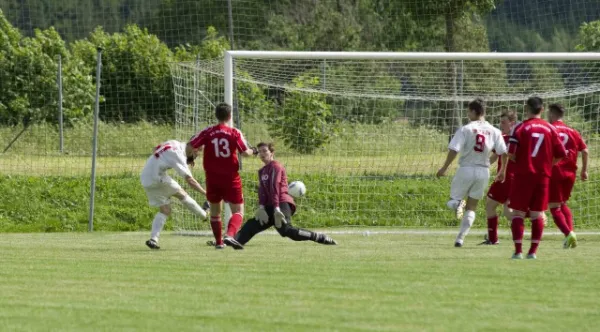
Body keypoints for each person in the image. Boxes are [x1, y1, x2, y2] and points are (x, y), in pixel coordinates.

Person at [208, 142, 337, 247]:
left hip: (281, 203)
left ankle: (319, 237)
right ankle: (227, 242)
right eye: (260, 152)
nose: (262, 154)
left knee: (286, 231)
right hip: (270, 206)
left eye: (265, 151)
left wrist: (276, 208)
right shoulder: (262, 171)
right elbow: (262, 191)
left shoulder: (276, 167)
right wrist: (262, 207)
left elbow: (274, 187)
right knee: (251, 225)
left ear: (272, 153)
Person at [436, 98, 508, 247]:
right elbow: (503, 152)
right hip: (483, 171)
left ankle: (458, 204)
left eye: (469, 111)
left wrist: (444, 168)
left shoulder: (466, 129)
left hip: (466, 169)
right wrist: (502, 170)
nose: (468, 114)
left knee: (453, 201)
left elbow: (454, 149)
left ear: (474, 111)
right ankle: (460, 239)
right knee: (472, 206)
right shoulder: (494, 130)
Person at [189, 102, 257, 250]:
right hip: (230, 177)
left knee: (214, 211)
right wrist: (253, 150)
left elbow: (192, 145)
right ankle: (230, 235)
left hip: (212, 177)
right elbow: (245, 153)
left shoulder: (207, 131)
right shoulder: (234, 132)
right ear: (230, 116)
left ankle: (219, 243)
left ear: (216, 115)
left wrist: (190, 158)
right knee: (238, 211)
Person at [507, 97, 566, 259]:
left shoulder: (520, 127)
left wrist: (520, 161)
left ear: (527, 108)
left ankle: (518, 251)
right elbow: (561, 154)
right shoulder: (550, 128)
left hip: (523, 175)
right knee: (537, 213)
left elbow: (510, 153)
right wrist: (548, 164)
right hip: (542, 176)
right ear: (542, 109)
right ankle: (532, 252)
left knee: (518, 212)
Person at [141, 139, 208, 249]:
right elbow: (191, 181)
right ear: (194, 149)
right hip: (158, 178)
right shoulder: (179, 155)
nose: (196, 156)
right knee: (181, 194)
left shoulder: (173, 142)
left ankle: (153, 239)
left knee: (165, 210)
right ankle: (204, 215)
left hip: (146, 178)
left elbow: (155, 149)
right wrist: (206, 193)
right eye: (197, 153)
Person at [547, 103, 588, 249]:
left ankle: (568, 234)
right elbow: (585, 151)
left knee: (553, 206)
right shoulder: (573, 131)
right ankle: (571, 235)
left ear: (552, 113)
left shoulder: (550, 129)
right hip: (570, 173)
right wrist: (584, 170)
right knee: (563, 203)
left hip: (555, 171)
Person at [481, 110, 518, 245]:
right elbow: (495, 156)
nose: (501, 125)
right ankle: (533, 219)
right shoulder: (503, 137)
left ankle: (493, 238)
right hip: (511, 179)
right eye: (500, 122)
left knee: (492, 205)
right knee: (506, 210)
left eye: (504, 122)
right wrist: (482, 164)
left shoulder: (514, 139)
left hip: (506, 178)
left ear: (512, 123)